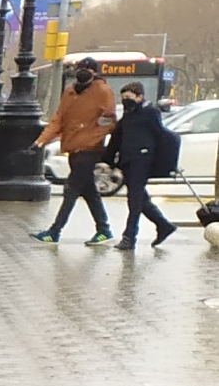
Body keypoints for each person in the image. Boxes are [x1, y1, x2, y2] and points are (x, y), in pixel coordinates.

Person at [33, 56, 120, 244]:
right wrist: (41, 141)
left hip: (89, 150)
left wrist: (92, 137)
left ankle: (55, 231)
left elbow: (109, 120)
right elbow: (58, 119)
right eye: (81, 68)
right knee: (89, 191)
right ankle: (104, 229)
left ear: (94, 73)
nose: (82, 72)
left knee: (71, 189)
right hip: (73, 148)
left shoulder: (103, 91)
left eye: (87, 69)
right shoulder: (70, 92)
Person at [112, 80, 179, 249]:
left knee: (134, 201)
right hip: (128, 160)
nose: (125, 100)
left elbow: (161, 135)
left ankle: (129, 237)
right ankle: (164, 226)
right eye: (123, 97)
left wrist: (167, 162)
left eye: (129, 97)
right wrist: (107, 158)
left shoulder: (150, 112)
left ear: (139, 96)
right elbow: (117, 136)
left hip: (142, 160)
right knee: (141, 199)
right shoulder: (129, 114)